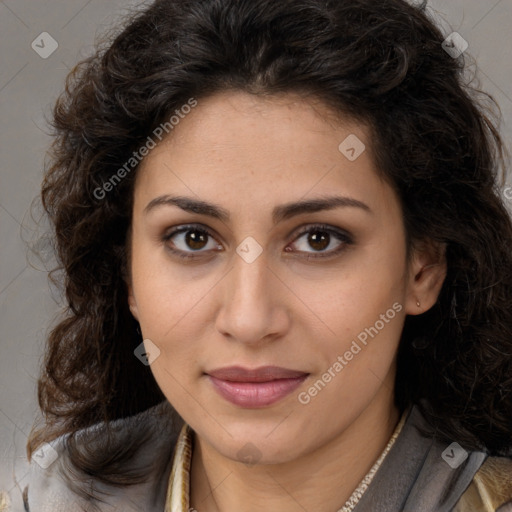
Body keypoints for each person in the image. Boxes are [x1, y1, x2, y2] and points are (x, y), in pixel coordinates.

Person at [22, 0, 512, 510]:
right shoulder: (43, 498)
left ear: (423, 269)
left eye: (318, 239)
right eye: (192, 238)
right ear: (127, 273)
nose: (250, 319)